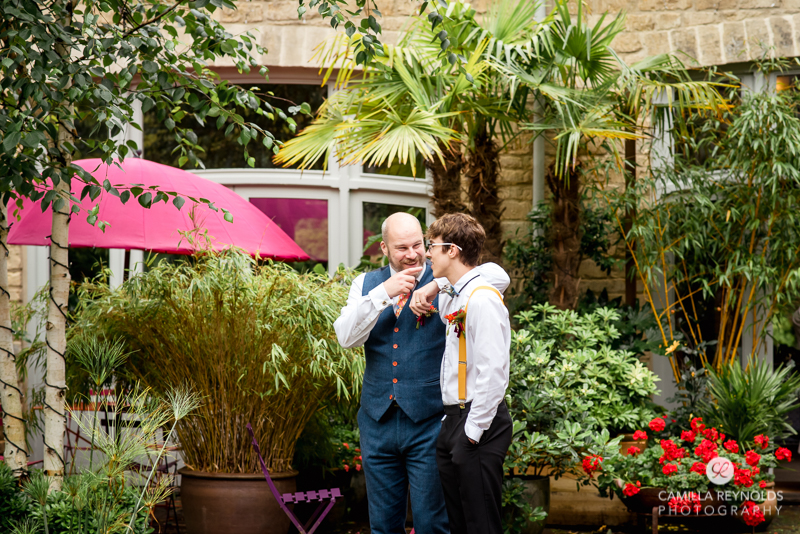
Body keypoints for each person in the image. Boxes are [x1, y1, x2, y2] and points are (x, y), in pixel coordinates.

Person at [334, 212, 509, 534]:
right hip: (377, 421)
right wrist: (383, 293)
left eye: (418, 244)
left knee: (433, 522)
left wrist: (434, 286)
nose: (413, 254)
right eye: (402, 248)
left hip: (429, 421)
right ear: (384, 248)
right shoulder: (366, 284)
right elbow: (346, 337)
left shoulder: (447, 279)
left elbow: (496, 276)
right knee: (382, 525)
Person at [409, 213, 513, 534]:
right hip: (453, 419)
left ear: (452, 250)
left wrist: (472, 432)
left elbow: (494, 373)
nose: (427, 253)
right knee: (460, 525)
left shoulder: (482, 299)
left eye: (432, 246)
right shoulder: (457, 295)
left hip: (477, 422)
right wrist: (437, 284)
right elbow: (484, 277)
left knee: (481, 525)